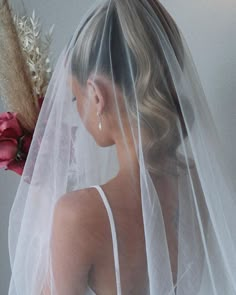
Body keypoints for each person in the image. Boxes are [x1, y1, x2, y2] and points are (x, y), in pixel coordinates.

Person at [8, 0, 236, 294]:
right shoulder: (199, 187)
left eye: (77, 100)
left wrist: (40, 198)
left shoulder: (78, 216)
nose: (78, 113)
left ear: (97, 95)